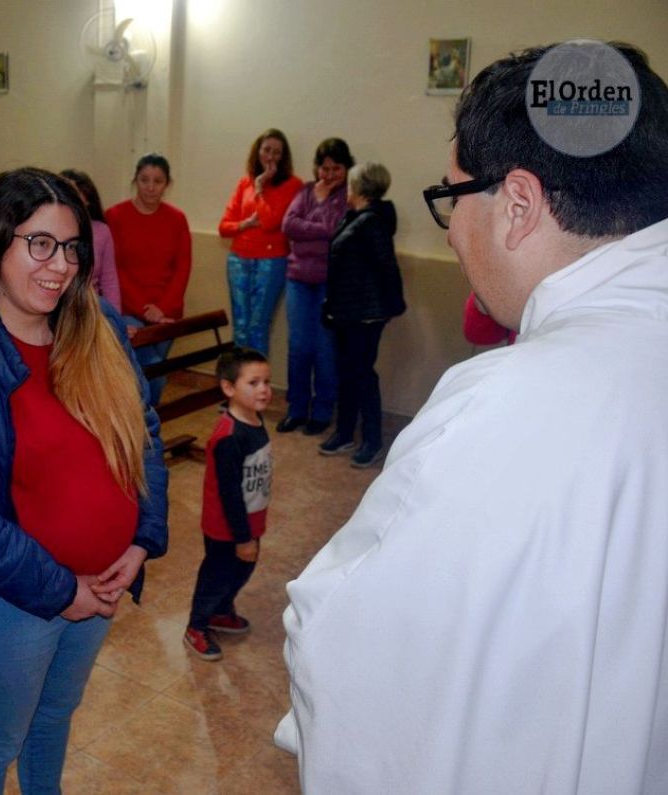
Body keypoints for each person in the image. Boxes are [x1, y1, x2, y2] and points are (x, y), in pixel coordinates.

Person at [276, 41, 668, 792]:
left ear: (518, 205)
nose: (453, 231)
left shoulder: (499, 409)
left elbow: (347, 645)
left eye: (453, 197)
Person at [0, 168, 168, 792]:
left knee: (53, 717)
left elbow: (144, 434)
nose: (61, 265)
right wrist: (60, 588)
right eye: (40, 244)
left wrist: (141, 540)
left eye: (71, 248)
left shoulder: (98, 327)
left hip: (104, 579)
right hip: (15, 596)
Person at [183, 347, 272, 662]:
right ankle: (197, 626)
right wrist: (242, 537)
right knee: (217, 575)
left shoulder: (255, 419)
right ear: (228, 387)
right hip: (227, 526)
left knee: (243, 569)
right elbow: (229, 493)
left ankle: (220, 612)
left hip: (250, 518)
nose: (264, 389)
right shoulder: (229, 437)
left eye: (267, 381)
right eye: (253, 383)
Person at [318, 162, 405, 468]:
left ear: (360, 187)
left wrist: (392, 306)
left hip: (365, 315)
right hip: (347, 312)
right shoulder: (355, 216)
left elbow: (387, 267)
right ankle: (344, 432)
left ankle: (372, 440)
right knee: (347, 373)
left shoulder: (373, 222)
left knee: (362, 375)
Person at [278, 137, 354, 436]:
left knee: (325, 351)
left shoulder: (349, 195)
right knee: (299, 348)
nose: (329, 175)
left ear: (346, 169)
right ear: (316, 168)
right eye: (325, 168)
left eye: (336, 169)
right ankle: (296, 409)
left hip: (329, 284)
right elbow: (288, 225)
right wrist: (318, 225)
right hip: (297, 279)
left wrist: (316, 213)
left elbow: (335, 229)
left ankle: (322, 411)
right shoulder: (306, 190)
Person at [105, 153, 193, 405]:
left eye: (157, 181)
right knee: (151, 373)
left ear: (167, 184)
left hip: (167, 313)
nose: (150, 187)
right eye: (144, 180)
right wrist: (145, 309)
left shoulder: (177, 219)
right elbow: (114, 269)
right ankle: (142, 423)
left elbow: (182, 267)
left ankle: (144, 423)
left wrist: (162, 308)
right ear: (135, 180)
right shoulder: (115, 216)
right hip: (128, 311)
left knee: (154, 371)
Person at [218, 129, 303, 355]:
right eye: (266, 150)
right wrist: (245, 224)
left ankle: (256, 377)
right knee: (240, 328)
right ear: (258, 151)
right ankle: (239, 377)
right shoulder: (243, 182)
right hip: (238, 260)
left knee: (257, 328)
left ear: (283, 157)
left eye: (277, 152)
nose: (270, 156)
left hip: (271, 262)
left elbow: (269, 222)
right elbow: (224, 227)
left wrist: (259, 187)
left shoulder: (293, 185)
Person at [59, 168, 121, 308]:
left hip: (92, 307)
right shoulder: (49, 229)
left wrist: (114, 317)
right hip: (58, 305)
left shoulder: (102, 231)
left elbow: (110, 281)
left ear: (88, 201)